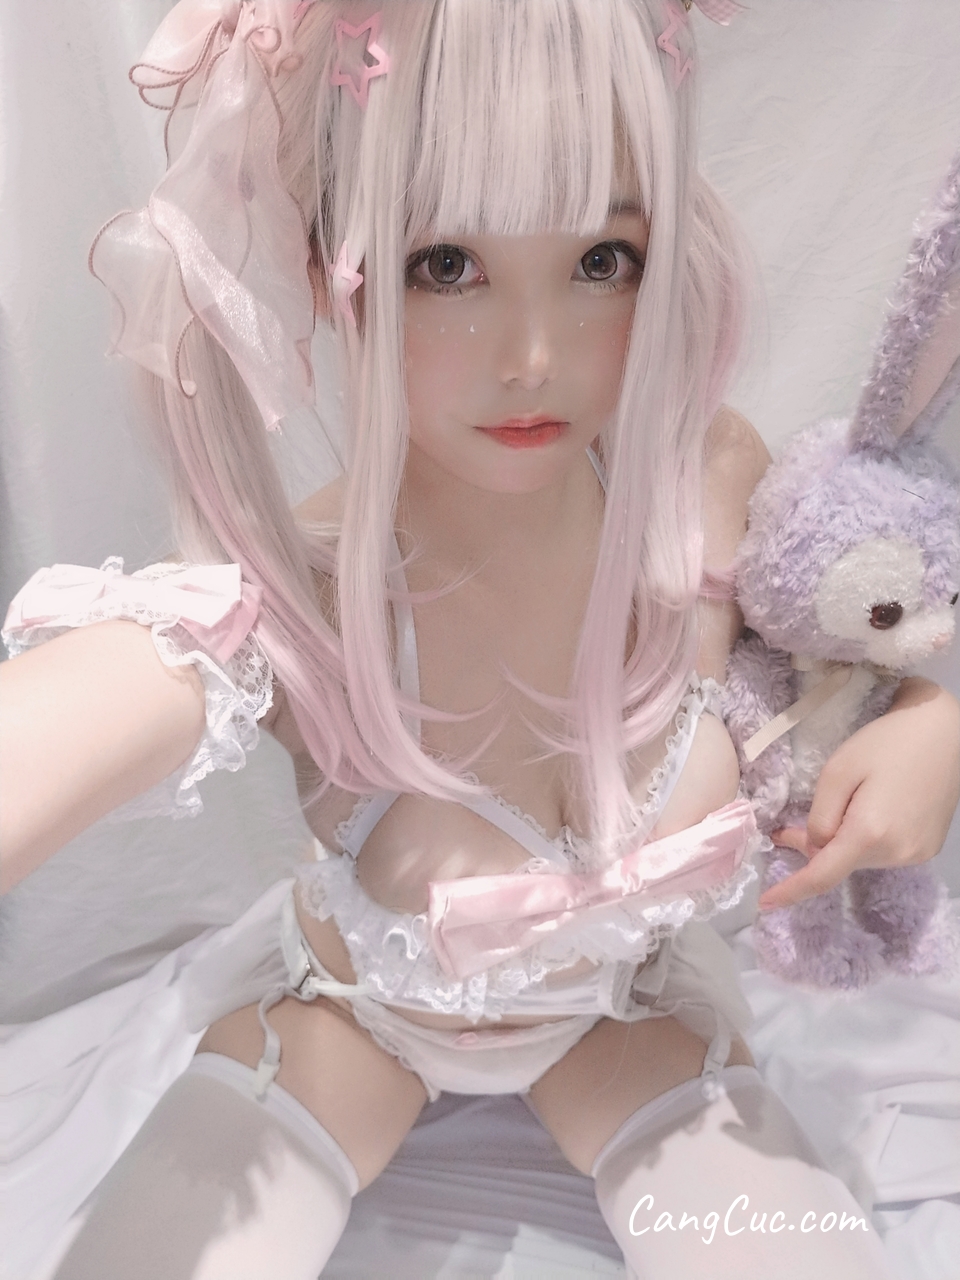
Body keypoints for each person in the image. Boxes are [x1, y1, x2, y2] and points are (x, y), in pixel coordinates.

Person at [1, 2, 957, 1276]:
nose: (534, 353)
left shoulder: (705, 490)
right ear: (325, 267)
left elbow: (852, 644)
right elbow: (113, 690)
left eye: (602, 258)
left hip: (629, 1023)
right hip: (351, 1027)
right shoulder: (302, 592)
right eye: (444, 263)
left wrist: (931, 723)